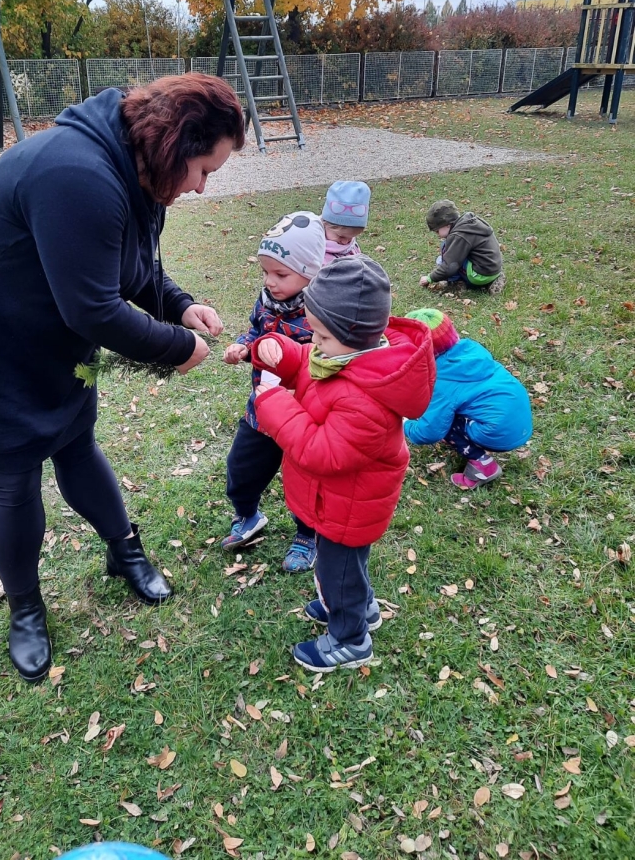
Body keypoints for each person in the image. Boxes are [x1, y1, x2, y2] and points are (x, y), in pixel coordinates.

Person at [0, 74, 245, 682]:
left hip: (44, 329)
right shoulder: (77, 174)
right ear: (175, 144)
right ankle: (26, 608)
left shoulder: (139, 167)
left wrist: (177, 305)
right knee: (12, 478)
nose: (200, 186)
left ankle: (124, 551)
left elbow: (122, 265)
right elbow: (93, 309)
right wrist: (176, 348)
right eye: (203, 170)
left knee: (75, 442)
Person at [251, 257, 435, 672]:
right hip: (337, 502)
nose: (313, 343)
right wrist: (280, 352)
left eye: (320, 335)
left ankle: (350, 639)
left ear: (351, 336)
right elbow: (307, 364)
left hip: (348, 507)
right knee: (346, 569)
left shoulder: (366, 399)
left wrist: (274, 404)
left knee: (338, 572)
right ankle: (360, 607)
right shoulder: (341, 357)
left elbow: (323, 451)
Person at [221, 211, 325, 572]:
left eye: (281, 274)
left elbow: (329, 360)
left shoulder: (321, 313)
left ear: (311, 272)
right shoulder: (266, 301)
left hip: (303, 417)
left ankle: (308, 534)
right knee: (241, 467)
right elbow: (255, 330)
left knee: (305, 481)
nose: (270, 281)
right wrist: (243, 346)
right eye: (265, 272)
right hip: (262, 410)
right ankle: (247, 514)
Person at [403, 309, 533, 489]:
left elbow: (428, 433)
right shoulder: (472, 350)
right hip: (520, 420)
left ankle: (484, 467)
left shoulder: (442, 382)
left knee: (443, 423)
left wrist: (406, 424)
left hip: (498, 432)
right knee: (456, 408)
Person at [419, 199, 505, 292]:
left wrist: (430, 278)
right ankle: (494, 280)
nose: (437, 234)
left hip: (479, 276)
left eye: (437, 231)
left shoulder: (458, 236)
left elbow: (450, 267)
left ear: (447, 225)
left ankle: (454, 283)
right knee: (448, 255)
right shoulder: (470, 223)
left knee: (444, 255)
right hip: (494, 270)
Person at [320, 180, 371, 264]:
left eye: (351, 237)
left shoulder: (351, 247)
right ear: (325, 224)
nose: (345, 242)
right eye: (341, 236)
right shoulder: (315, 250)